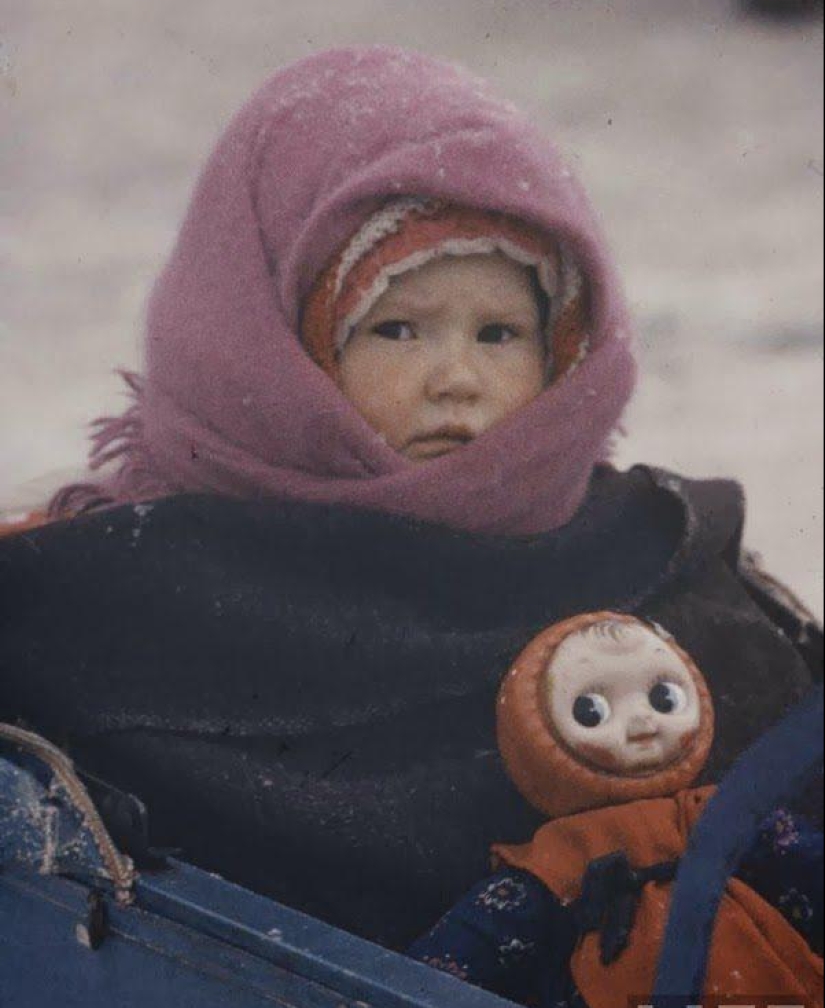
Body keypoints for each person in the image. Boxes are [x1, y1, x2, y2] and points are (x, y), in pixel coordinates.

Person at [0, 46, 820, 952]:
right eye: (396, 329)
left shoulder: (658, 563)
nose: (457, 379)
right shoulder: (128, 593)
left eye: (500, 333)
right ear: (268, 350)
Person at [408, 612, 823, 1008]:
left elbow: (800, 860)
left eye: (663, 698)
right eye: (592, 711)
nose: (642, 722)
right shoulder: (561, 857)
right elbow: (477, 940)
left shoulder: (711, 812)